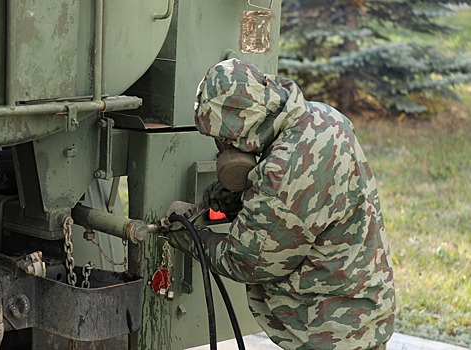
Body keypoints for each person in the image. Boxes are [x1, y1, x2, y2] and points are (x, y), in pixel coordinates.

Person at [169, 58, 395, 350]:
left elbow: (246, 261)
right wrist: (227, 198)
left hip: (331, 331)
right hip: (363, 308)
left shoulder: (283, 169)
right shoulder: (324, 118)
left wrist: (185, 235)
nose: (221, 147)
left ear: (239, 132)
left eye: (222, 138)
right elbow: (294, 209)